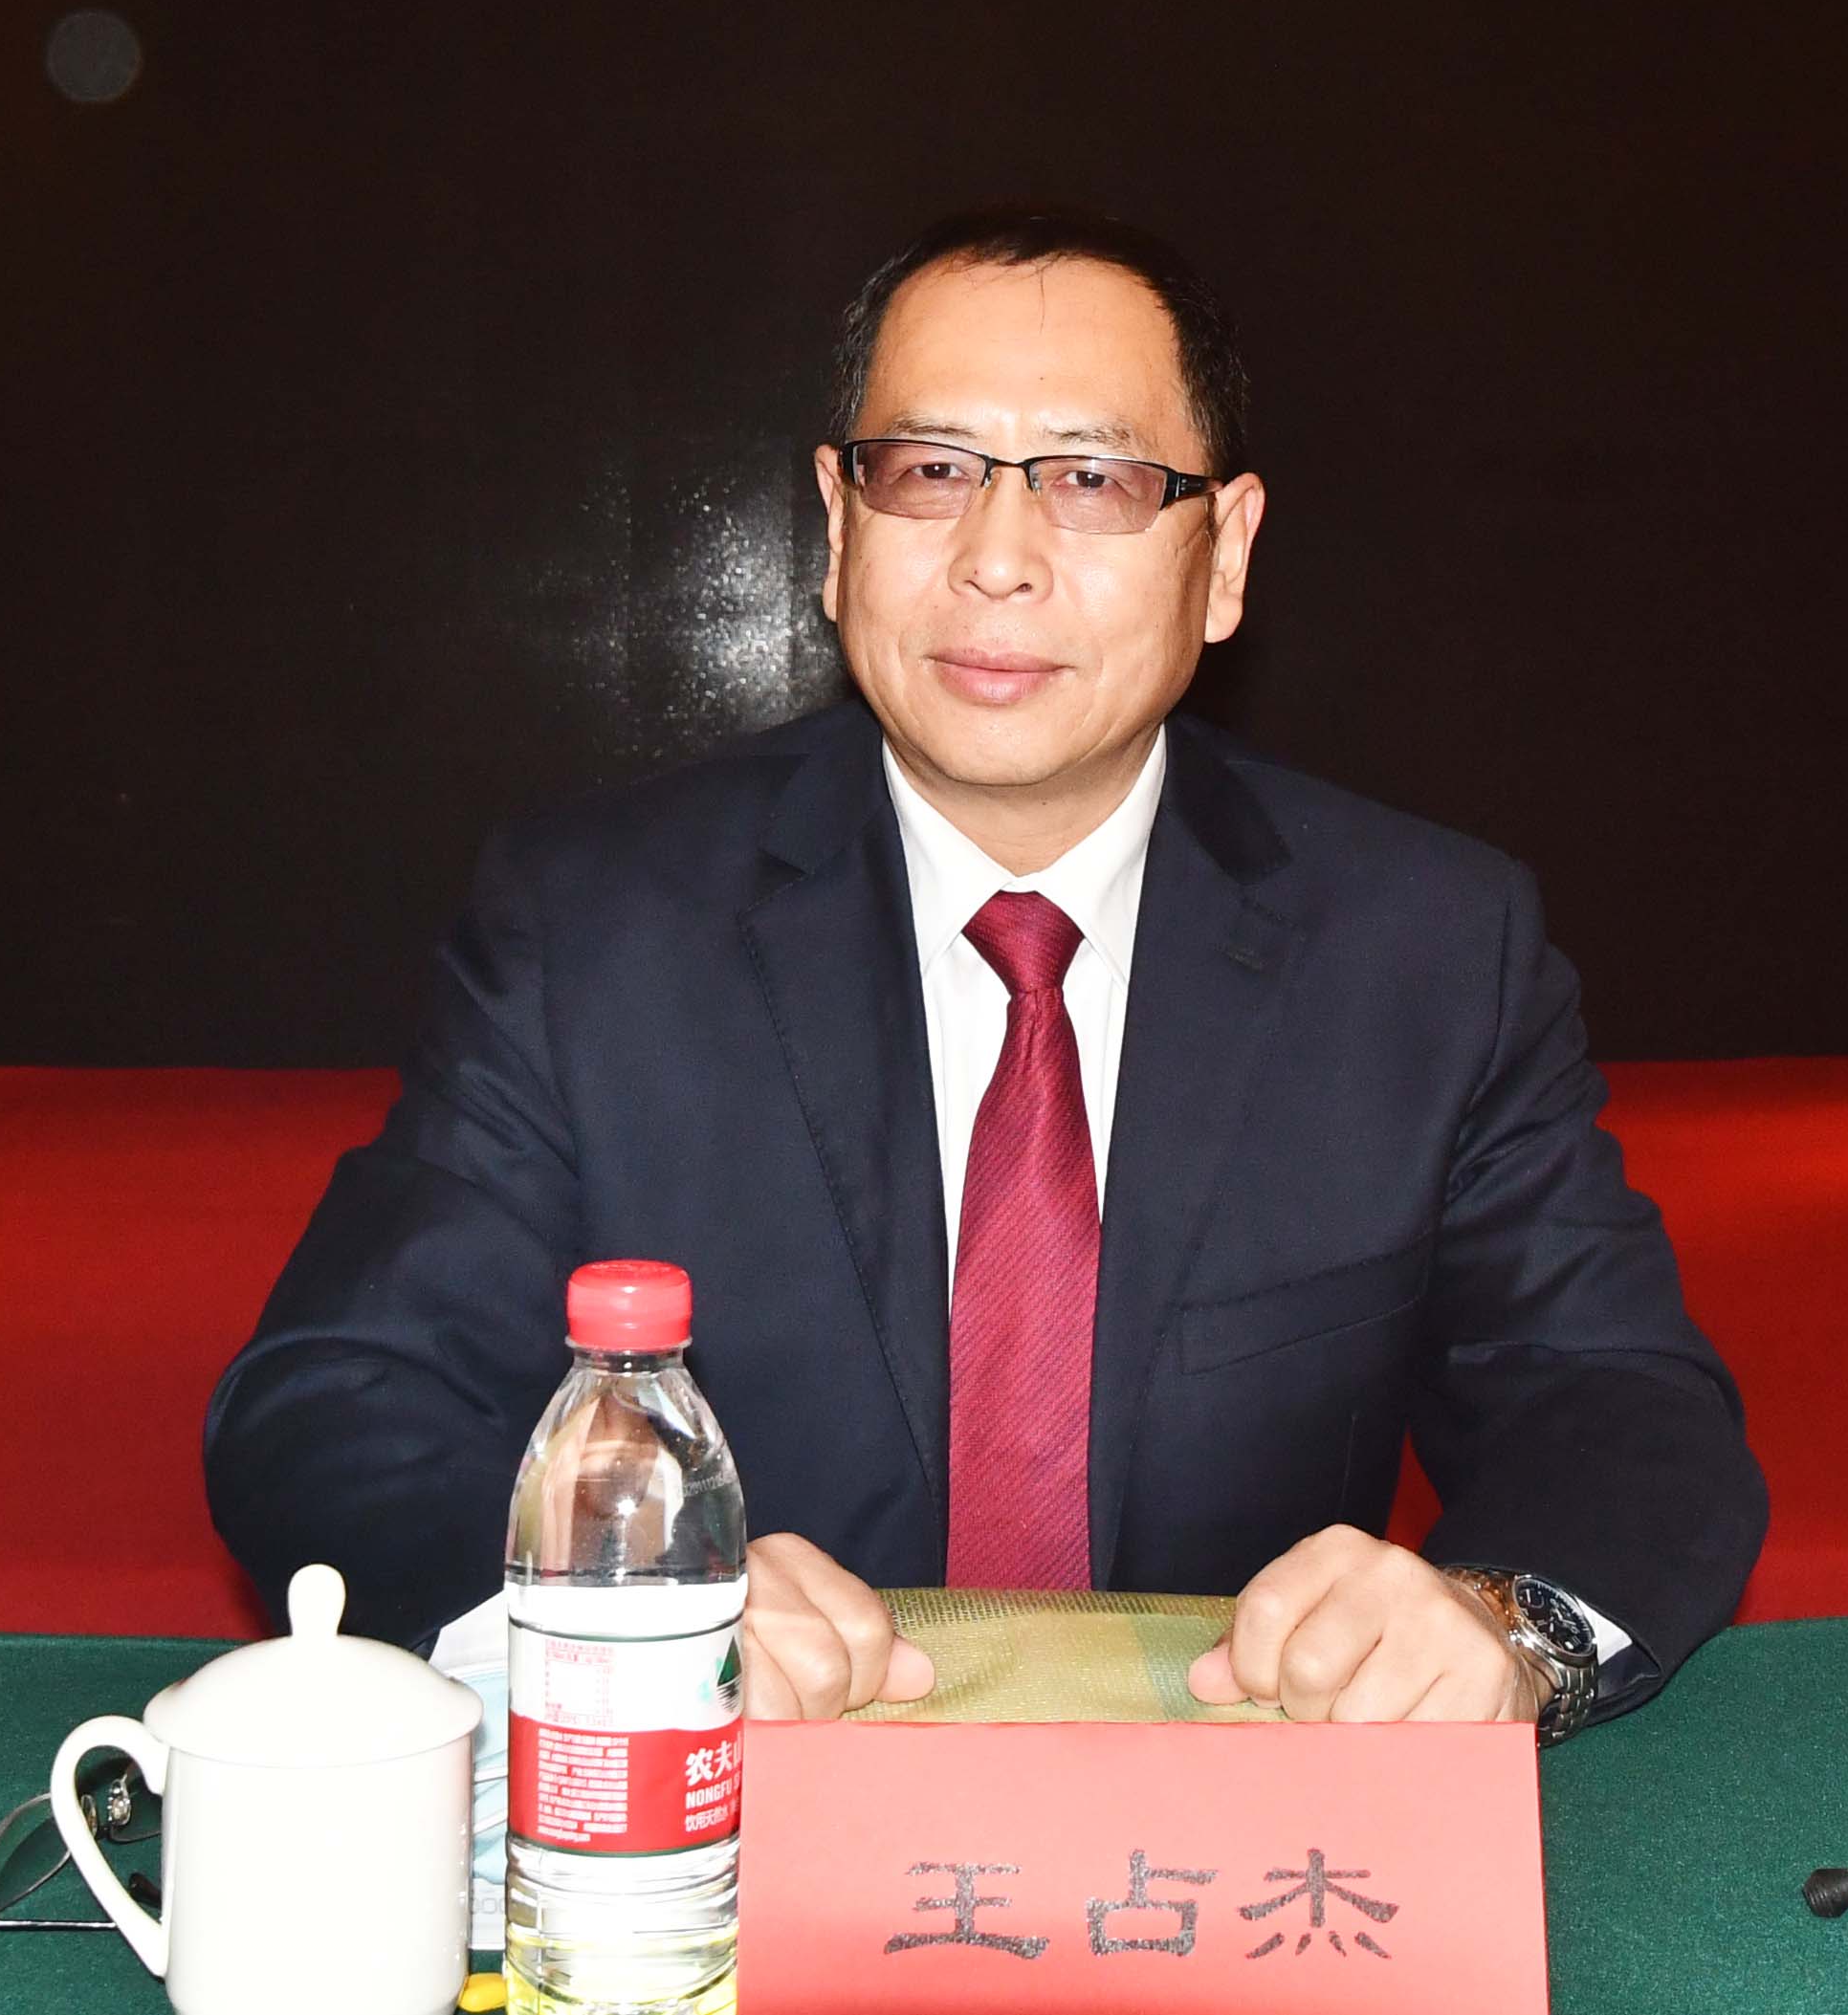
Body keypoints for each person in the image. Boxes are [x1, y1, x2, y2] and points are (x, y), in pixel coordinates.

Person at [205, 204, 1765, 1738]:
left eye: (1092, 478)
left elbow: (1619, 1406)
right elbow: (336, 1399)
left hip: (1229, 1827)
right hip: (747, 1827)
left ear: (1224, 555)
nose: (997, 559)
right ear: (839, 528)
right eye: (930, 471)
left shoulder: (1426, 946)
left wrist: (1504, 1622)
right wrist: (611, 1614)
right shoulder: (596, 929)